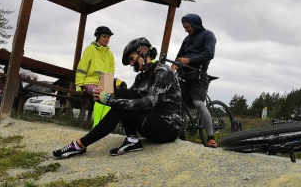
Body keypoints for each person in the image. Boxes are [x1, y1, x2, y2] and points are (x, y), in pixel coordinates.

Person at [53, 37, 184, 158]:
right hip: (151, 119)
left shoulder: (163, 72)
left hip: (168, 127)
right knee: (122, 92)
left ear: (143, 52)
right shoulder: (141, 77)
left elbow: (148, 103)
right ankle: (132, 140)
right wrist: (102, 98)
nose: (131, 64)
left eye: (132, 59)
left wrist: (109, 101)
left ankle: (80, 145)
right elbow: (125, 98)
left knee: (121, 109)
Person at [171, 13, 218, 148]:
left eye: (187, 27)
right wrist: (173, 66)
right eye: (184, 27)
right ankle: (181, 134)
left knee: (198, 104)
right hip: (184, 75)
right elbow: (179, 55)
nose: (186, 30)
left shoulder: (208, 35)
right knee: (178, 101)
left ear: (195, 24)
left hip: (199, 76)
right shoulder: (186, 39)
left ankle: (211, 138)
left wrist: (189, 60)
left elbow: (209, 54)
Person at [75, 26, 116, 126]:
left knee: (111, 97)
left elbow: (111, 73)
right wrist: (80, 85)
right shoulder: (90, 49)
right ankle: (96, 125)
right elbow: (82, 68)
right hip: (89, 82)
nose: (107, 39)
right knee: (100, 94)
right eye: (104, 36)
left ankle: (104, 125)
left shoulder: (110, 54)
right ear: (98, 37)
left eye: (108, 37)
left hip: (104, 84)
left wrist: (109, 86)